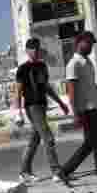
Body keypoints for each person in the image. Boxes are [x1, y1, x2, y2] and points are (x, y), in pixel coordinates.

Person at [58, 31, 97, 186]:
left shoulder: (88, 63)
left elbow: (93, 87)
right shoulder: (73, 64)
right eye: (89, 43)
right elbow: (71, 91)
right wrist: (76, 113)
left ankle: (64, 172)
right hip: (84, 110)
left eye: (92, 43)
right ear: (80, 43)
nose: (91, 46)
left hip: (92, 108)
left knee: (90, 144)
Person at [14, 38, 71, 185]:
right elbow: (18, 92)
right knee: (48, 138)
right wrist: (18, 113)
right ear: (27, 51)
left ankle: (24, 172)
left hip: (42, 105)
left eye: (37, 48)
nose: (35, 51)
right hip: (32, 107)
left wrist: (61, 103)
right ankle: (56, 171)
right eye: (32, 48)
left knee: (35, 139)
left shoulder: (42, 66)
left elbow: (46, 87)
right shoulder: (23, 69)